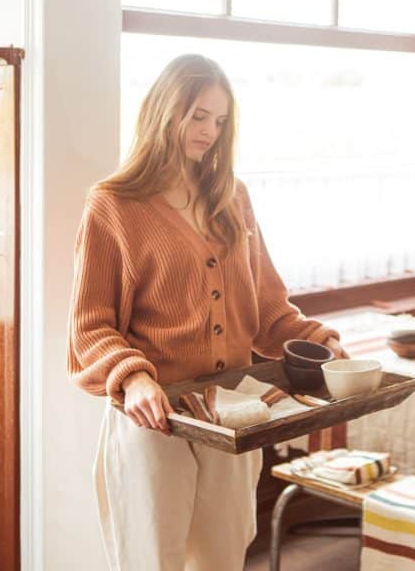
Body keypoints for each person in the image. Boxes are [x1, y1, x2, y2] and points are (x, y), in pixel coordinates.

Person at [67, 54, 348, 570]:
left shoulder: (232, 198)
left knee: (223, 556)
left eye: (219, 121)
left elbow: (265, 306)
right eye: (198, 115)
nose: (209, 132)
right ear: (164, 111)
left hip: (233, 411)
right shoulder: (113, 205)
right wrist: (132, 379)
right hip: (154, 418)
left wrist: (317, 341)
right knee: (155, 560)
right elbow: (91, 324)